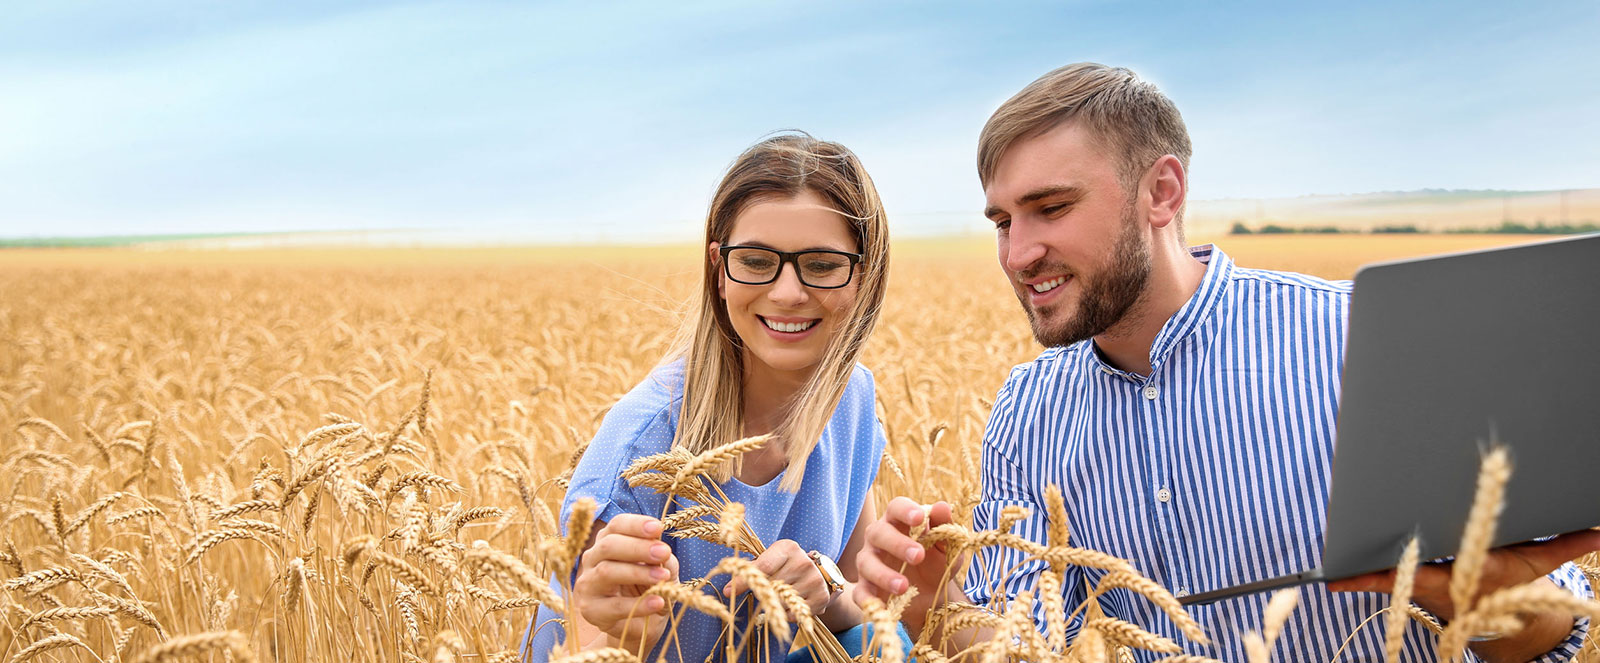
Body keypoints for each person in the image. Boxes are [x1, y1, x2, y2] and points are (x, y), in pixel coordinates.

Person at [853, 63, 1600, 662]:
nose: (1018, 254)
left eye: (1051, 208)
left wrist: (1473, 603)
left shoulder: (1355, 338)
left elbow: (1553, 627)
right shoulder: (1028, 411)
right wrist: (935, 608)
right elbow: (1019, 645)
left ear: (1162, 191)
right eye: (1002, 221)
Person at [522, 133, 904, 663]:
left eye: (820, 264)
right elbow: (580, 646)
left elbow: (868, 614)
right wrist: (627, 637)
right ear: (719, 271)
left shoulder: (852, 398)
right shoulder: (644, 444)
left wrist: (823, 589)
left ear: (863, 275)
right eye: (755, 260)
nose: (788, 292)